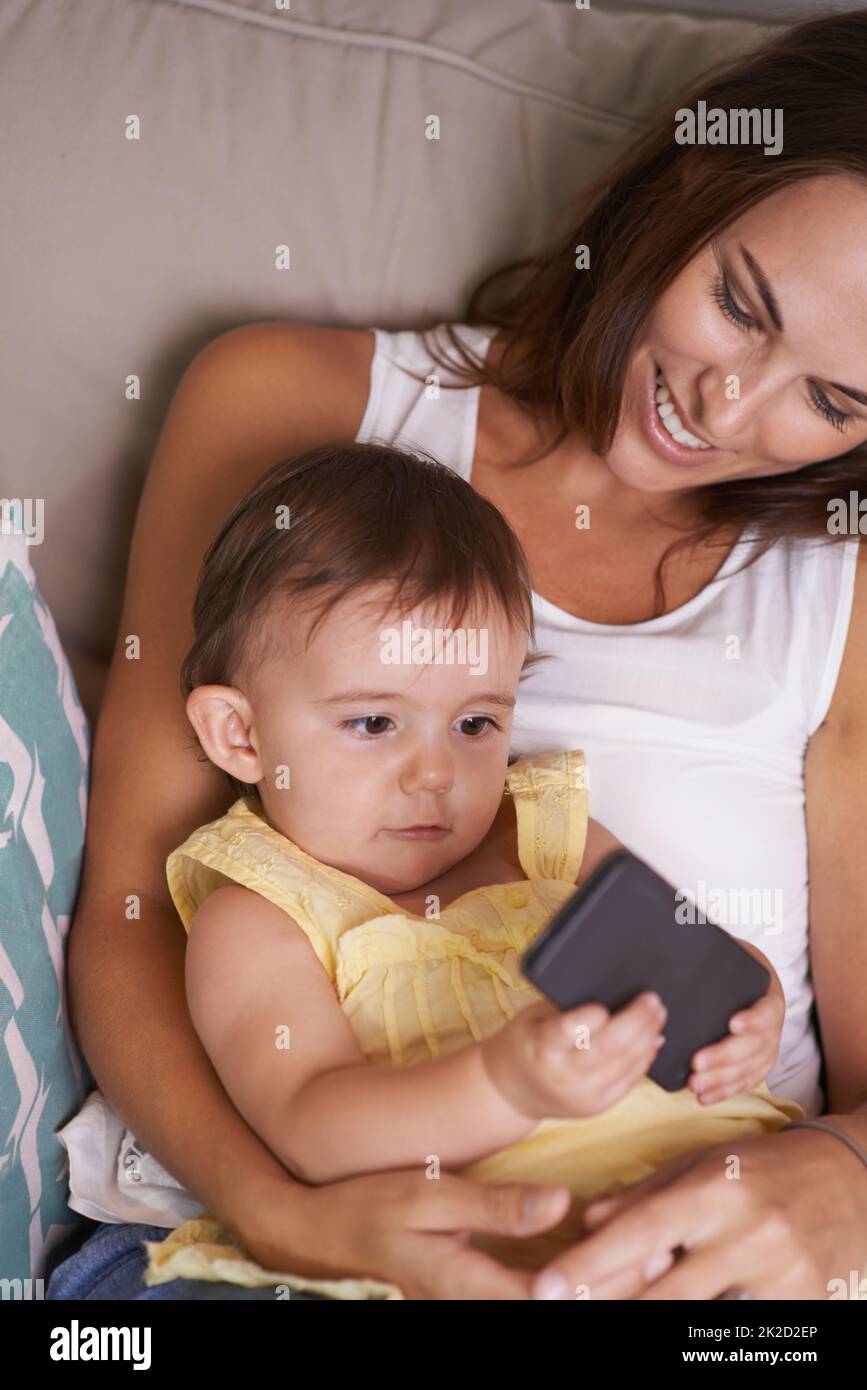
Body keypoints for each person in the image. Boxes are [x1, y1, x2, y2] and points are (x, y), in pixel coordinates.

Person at [58, 9, 867, 1300]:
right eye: (735, 303)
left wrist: (833, 1174)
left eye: (830, 401)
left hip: (700, 1241)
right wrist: (284, 1216)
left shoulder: (838, 584)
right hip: (322, 1233)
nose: (728, 407)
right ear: (687, 180)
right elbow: (129, 911)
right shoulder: (290, 406)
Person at [114, 442, 792, 1297]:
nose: (435, 773)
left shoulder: (546, 832)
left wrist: (751, 1005)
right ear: (241, 738)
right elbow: (309, 1120)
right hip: (493, 1259)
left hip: (724, 1226)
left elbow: (692, 950)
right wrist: (501, 1086)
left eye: (474, 724)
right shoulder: (259, 914)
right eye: (372, 724)